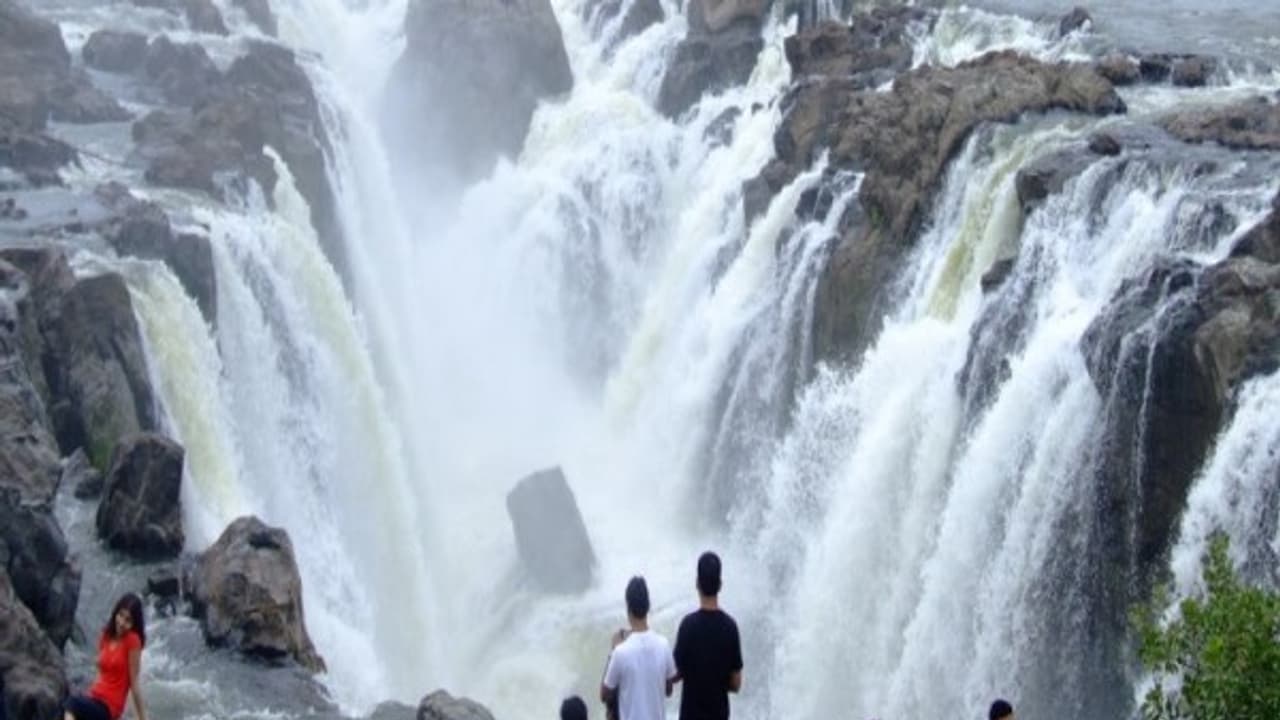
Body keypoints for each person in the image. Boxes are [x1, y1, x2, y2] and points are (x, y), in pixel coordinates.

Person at [672, 552, 743, 720]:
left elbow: (675, 674)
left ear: (697, 583)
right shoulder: (730, 627)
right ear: (720, 585)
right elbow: (736, 683)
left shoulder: (688, 626)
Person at [600, 576, 676, 720]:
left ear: (628, 608)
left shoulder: (620, 652)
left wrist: (612, 652)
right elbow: (668, 690)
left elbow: (604, 694)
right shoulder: (663, 645)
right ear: (648, 606)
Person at [64, 593, 148, 720]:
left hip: (110, 706)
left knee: (72, 703)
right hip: (95, 697)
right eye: (121, 615)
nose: (121, 622)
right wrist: (89, 695)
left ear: (134, 624)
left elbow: (134, 682)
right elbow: (101, 673)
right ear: (116, 613)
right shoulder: (106, 635)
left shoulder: (132, 640)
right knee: (65, 705)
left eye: (128, 620)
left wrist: (142, 717)